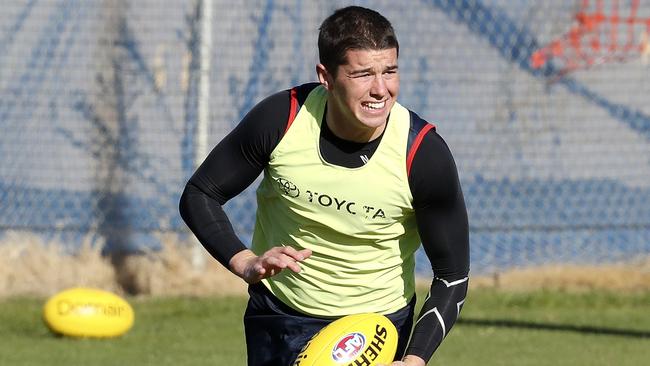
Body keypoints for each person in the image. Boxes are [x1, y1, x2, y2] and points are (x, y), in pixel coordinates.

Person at [179, 6, 469, 366]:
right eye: (363, 74)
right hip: (280, 316)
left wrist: (414, 359)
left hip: (375, 330)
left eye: (390, 71)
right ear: (326, 76)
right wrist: (245, 263)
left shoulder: (422, 153)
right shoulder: (281, 119)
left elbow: (453, 277)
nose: (381, 89)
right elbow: (200, 194)